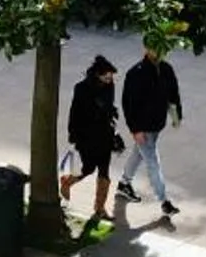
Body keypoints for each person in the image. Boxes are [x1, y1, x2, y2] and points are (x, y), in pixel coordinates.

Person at [115, 47, 185, 223]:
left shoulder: (166, 69)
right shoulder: (136, 73)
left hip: (156, 125)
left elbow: (173, 95)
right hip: (143, 127)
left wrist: (177, 116)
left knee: (138, 154)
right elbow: (128, 103)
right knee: (153, 162)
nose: (159, 52)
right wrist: (135, 129)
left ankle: (124, 183)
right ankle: (164, 201)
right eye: (154, 48)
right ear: (146, 49)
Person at [56, 55, 124, 225]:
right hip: (87, 136)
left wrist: (112, 115)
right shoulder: (81, 88)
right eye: (106, 76)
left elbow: (109, 105)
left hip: (105, 134)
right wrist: (73, 134)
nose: (110, 80)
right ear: (97, 74)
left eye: (111, 77)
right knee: (88, 169)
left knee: (104, 172)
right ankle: (67, 181)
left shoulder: (110, 86)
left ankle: (99, 209)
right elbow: (75, 112)